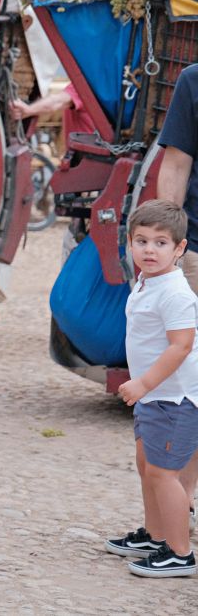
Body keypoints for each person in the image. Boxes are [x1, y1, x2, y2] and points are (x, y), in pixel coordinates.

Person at [105, 200, 198, 577]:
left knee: (164, 473)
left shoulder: (175, 294)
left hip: (175, 399)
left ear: (180, 249)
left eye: (161, 243)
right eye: (141, 241)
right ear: (129, 243)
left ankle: (179, 552)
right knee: (148, 467)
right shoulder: (148, 282)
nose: (149, 250)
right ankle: (156, 534)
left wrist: (143, 381)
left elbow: (182, 345)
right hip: (154, 397)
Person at [150, 62, 198, 526]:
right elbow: (177, 163)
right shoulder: (193, 80)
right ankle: (177, 504)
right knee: (183, 382)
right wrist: (167, 252)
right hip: (197, 252)